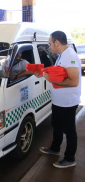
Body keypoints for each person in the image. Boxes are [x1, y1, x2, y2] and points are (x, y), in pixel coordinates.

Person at [35, 31, 81, 168]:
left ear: (57, 43)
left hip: (67, 102)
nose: (49, 47)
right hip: (58, 101)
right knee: (56, 126)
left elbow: (73, 82)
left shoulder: (70, 56)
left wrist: (50, 79)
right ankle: (55, 148)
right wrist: (45, 74)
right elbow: (59, 74)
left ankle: (69, 158)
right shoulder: (62, 55)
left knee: (69, 130)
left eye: (50, 44)